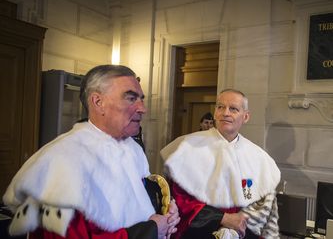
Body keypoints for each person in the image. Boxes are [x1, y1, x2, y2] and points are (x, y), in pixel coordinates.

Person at [2, 65, 180, 239]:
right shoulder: (63, 159)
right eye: (131, 98)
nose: (143, 108)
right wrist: (151, 230)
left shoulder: (132, 150)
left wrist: (165, 216)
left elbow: (136, 204)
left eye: (141, 99)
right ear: (98, 102)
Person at [161, 89, 281, 238]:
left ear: (246, 116)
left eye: (233, 109)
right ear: (215, 112)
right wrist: (223, 218)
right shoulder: (188, 147)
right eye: (220, 107)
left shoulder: (256, 156)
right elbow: (181, 199)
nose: (226, 113)